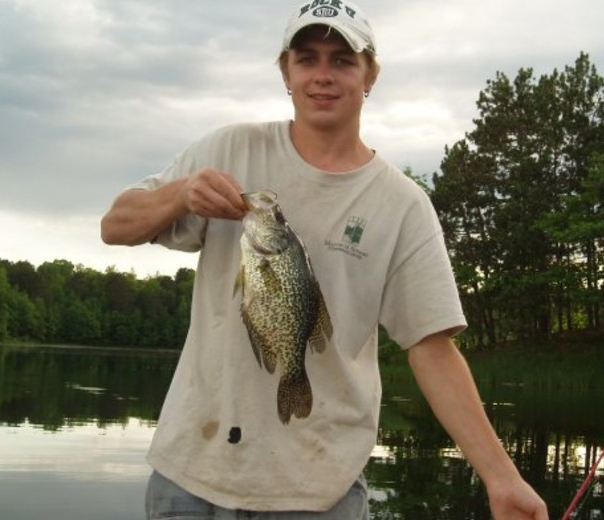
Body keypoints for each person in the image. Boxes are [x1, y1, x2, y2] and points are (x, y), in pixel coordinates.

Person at [101, 1, 549, 519]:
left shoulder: (400, 205)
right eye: (307, 58)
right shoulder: (229, 150)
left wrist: (502, 478)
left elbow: (432, 347)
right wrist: (181, 194)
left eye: (342, 60)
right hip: (191, 475)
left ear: (370, 75)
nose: (323, 76)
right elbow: (115, 226)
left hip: (317, 489)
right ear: (285, 72)